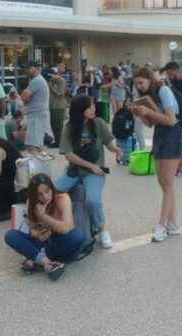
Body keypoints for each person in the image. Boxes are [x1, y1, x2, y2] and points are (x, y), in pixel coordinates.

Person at [54, 95, 121, 249]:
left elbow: (108, 142)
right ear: (80, 110)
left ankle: (102, 230)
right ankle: (57, 225)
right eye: (90, 106)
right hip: (75, 170)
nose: (94, 108)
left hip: (95, 173)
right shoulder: (69, 127)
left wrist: (115, 149)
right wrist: (90, 165)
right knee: (52, 190)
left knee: (93, 201)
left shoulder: (99, 123)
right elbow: (68, 154)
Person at [131, 67, 182, 243]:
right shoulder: (149, 95)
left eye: (141, 82)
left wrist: (148, 112)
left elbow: (171, 120)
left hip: (173, 136)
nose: (139, 86)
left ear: (149, 80)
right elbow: (150, 124)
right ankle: (173, 224)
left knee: (167, 184)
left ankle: (161, 226)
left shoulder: (163, 90)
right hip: (160, 136)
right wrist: (139, 114)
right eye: (136, 84)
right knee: (164, 183)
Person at [4, 174, 86, 281]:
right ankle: (46, 262)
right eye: (39, 194)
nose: (45, 197)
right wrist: (37, 233)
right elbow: (32, 230)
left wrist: (43, 216)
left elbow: (67, 228)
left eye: (47, 191)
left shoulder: (62, 198)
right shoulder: (32, 203)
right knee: (10, 235)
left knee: (78, 236)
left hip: (59, 242)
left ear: (52, 188)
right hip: (43, 242)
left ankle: (36, 258)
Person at [20, 63, 53, 156]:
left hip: (37, 116)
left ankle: (39, 167)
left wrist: (26, 97)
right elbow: (26, 98)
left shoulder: (36, 80)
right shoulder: (39, 80)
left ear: (37, 68)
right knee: (40, 145)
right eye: (25, 68)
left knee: (32, 146)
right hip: (40, 115)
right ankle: (44, 166)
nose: (26, 70)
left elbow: (23, 97)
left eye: (29, 68)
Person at [48, 63, 68, 147]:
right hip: (53, 106)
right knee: (53, 125)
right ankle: (57, 141)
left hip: (59, 106)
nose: (52, 76)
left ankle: (59, 142)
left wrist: (51, 86)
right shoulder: (53, 81)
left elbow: (60, 94)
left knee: (58, 126)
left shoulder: (61, 81)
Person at [112, 97, 135, 165]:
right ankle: (124, 160)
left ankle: (121, 159)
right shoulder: (125, 113)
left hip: (120, 134)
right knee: (125, 147)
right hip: (124, 134)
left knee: (122, 146)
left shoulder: (121, 111)